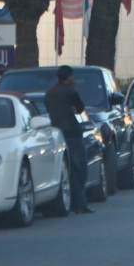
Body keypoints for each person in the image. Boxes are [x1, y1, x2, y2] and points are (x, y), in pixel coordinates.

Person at [45, 65, 92, 214]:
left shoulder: (49, 94)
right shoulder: (70, 93)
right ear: (68, 77)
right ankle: (80, 204)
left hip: (57, 133)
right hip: (72, 133)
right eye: (72, 77)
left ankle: (72, 202)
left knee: (68, 170)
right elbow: (80, 108)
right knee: (80, 169)